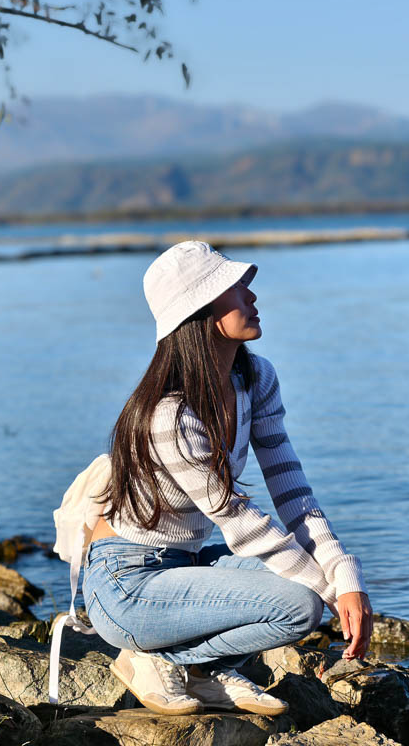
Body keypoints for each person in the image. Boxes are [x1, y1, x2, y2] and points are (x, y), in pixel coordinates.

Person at [82, 240, 373, 715]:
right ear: (199, 309)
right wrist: (333, 597)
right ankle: (152, 657)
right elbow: (235, 517)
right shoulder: (169, 414)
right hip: (126, 583)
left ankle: (201, 671)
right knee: (302, 606)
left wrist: (343, 576)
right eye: (234, 288)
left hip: (185, 564)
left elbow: (293, 491)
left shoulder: (256, 379)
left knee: (310, 589)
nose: (251, 295)